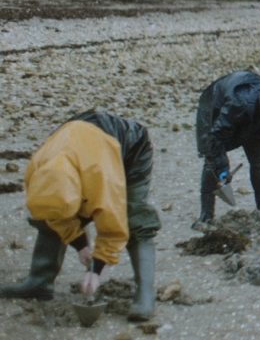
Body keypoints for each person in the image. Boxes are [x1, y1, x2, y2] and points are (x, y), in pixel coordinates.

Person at [1, 111, 160, 321]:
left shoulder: (100, 177)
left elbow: (113, 228)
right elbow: (54, 216)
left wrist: (96, 269)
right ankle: (40, 281)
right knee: (48, 215)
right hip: (76, 139)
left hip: (129, 145)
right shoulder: (37, 169)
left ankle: (145, 294)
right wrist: (81, 245)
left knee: (135, 220)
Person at [194, 70, 260, 228]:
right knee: (211, 160)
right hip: (215, 105)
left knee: (258, 160)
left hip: (252, 111)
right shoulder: (238, 103)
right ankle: (206, 215)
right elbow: (216, 138)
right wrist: (222, 167)